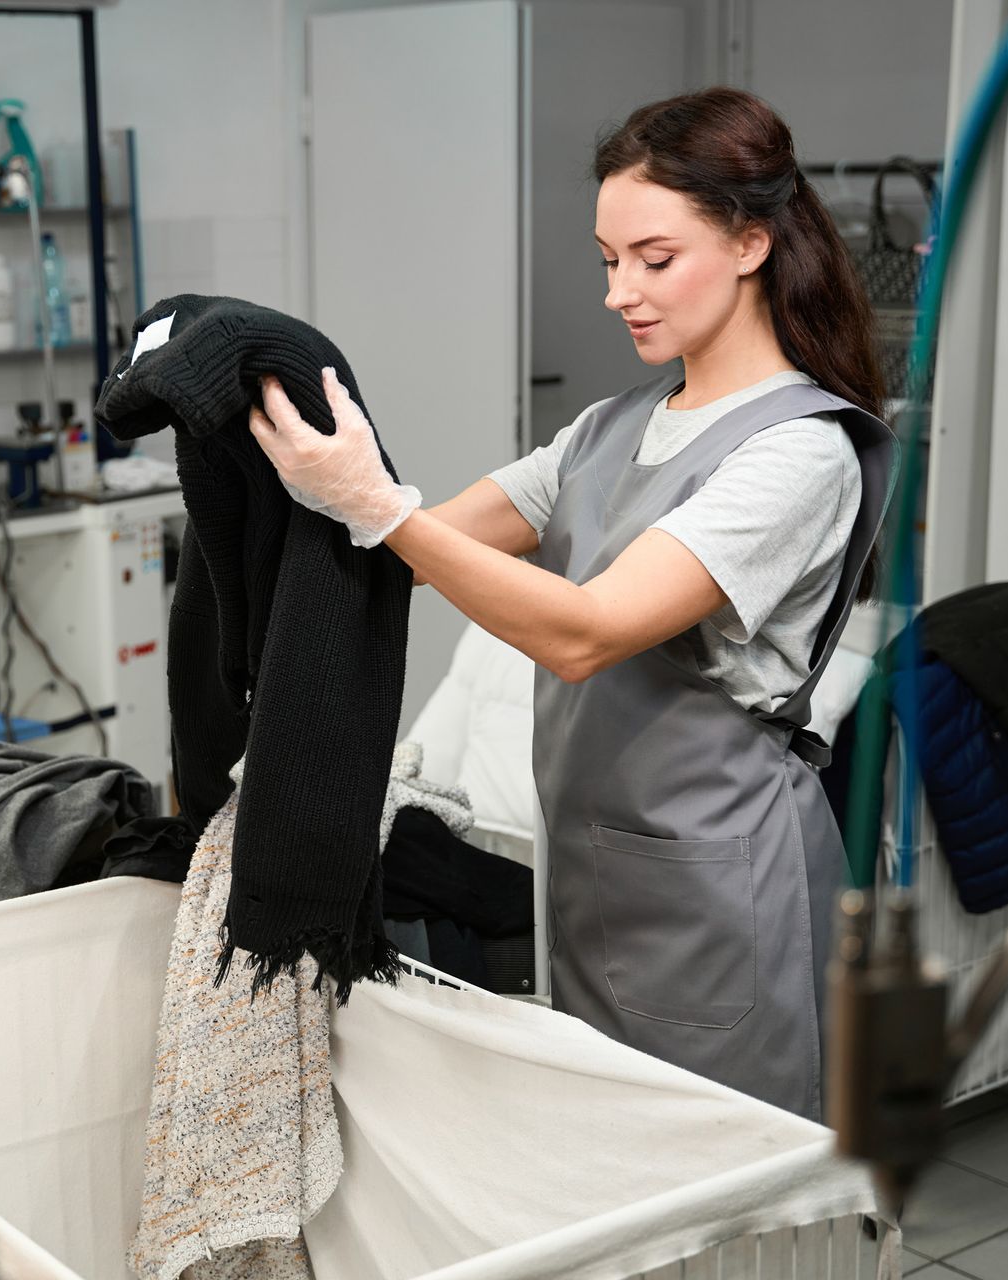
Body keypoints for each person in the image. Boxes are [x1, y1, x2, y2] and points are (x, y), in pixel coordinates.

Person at [248, 87, 896, 1121]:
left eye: (654, 257)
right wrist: (300, 483)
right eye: (609, 260)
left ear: (751, 243)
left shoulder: (800, 452)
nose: (619, 292)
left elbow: (587, 630)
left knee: (717, 1192)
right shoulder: (608, 427)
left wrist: (378, 506)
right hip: (596, 877)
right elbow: (424, 550)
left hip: (719, 890)